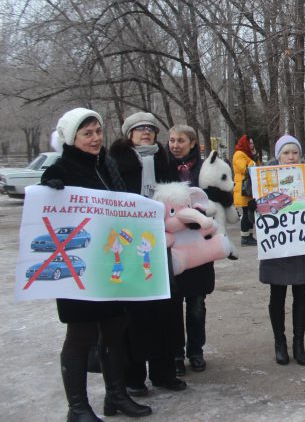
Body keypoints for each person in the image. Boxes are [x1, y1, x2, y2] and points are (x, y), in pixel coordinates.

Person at [41, 108, 152, 420]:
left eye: (98, 132)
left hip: (110, 265)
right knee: (80, 337)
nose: (95, 139)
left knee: (114, 332)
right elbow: (45, 208)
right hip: (78, 270)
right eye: (87, 133)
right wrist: (50, 187)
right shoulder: (61, 169)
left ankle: (116, 395)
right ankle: (77, 408)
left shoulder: (107, 165)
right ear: (71, 137)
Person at [109, 112, 186, 396]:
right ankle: (134, 376)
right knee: (135, 313)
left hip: (161, 243)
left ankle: (164, 372)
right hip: (128, 245)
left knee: (166, 309)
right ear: (129, 133)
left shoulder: (165, 160)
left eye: (150, 129)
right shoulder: (115, 161)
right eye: (140, 128)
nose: (146, 132)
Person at [261, 135, 305, 366]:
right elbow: (255, 214)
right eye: (286, 153)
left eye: (295, 152)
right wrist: (254, 205)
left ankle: (299, 344)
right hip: (276, 246)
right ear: (278, 156)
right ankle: (280, 343)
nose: (291, 157)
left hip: (301, 245)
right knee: (277, 295)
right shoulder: (264, 180)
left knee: (301, 296)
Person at [167, 125, 212, 375]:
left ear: (193, 143)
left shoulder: (204, 169)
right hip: (172, 245)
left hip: (198, 245)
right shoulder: (163, 167)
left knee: (196, 302)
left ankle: (196, 351)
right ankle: (175, 353)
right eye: (172, 140)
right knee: (172, 304)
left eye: (181, 141)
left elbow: (216, 199)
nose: (175, 145)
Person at [233, 134, 257, 246]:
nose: (252, 145)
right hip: (243, 189)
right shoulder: (239, 154)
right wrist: (253, 161)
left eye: (252, 143)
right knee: (246, 213)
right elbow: (245, 169)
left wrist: (254, 157)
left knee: (250, 212)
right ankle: (245, 237)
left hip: (248, 188)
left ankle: (250, 236)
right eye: (250, 143)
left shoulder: (247, 154)